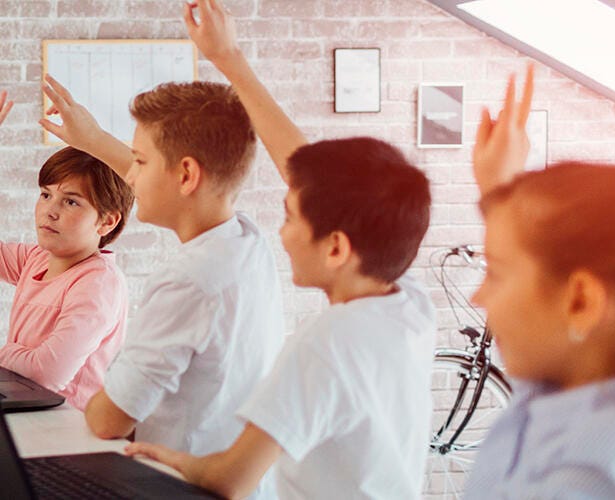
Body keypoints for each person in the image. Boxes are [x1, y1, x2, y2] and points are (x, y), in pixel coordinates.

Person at [125, 2, 436, 499]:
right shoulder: (408, 305)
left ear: (336, 246)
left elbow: (231, 477)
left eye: (291, 217)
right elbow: (316, 178)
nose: (283, 232)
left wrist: (171, 460)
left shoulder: (325, 344)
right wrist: (229, 61)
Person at [40, 74, 285, 498]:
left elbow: (106, 420)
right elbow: (182, 191)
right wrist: (93, 139)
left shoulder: (188, 282)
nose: (130, 178)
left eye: (141, 161)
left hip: (177, 487)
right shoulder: (245, 239)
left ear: (187, 174)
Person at [466, 67, 615, 498]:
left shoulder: (593, 479)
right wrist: (497, 184)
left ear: (580, 301)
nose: (478, 296)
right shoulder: (578, 380)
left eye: (496, 273)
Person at [0, 91, 133, 411]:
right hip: (27, 419)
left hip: (63, 432)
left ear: (107, 221)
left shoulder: (97, 284)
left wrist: (4, 353)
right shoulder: (36, 259)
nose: (50, 211)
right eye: (46, 195)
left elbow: (46, 374)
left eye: (71, 201)